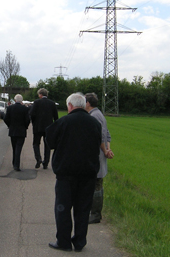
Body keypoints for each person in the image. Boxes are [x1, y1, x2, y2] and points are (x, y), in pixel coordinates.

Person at [45, 93, 101, 252]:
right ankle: (79, 241)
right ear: (83, 105)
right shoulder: (95, 123)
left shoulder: (63, 122)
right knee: (83, 209)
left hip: (66, 174)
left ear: (69, 105)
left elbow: (50, 141)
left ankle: (63, 241)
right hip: (88, 174)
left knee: (62, 208)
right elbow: (98, 143)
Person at [85, 93, 114, 224]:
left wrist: (105, 151)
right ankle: (95, 213)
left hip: (97, 155)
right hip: (100, 153)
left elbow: (101, 137)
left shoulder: (94, 116)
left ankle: (95, 214)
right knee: (97, 183)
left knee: (96, 184)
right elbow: (107, 135)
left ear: (88, 103)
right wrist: (107, 150)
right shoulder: (98, 114)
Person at [30, 88, 58, 169]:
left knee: (36, 144)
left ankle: (38, 158)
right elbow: (56, 117)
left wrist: (34, 122)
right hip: (48, 128)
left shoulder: (36, 102)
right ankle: (46, 162)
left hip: (38, 127)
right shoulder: (52, 103)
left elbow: (31, 114)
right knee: (47, 145)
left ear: (40, 94)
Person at [3, 94, 30, 171]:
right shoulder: (25, 109)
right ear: (21, 100)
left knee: (14, 147)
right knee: (19, 148)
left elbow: (5, 118)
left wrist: (10, 125)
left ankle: (14, 162)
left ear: (15, 100)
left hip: (13, 130)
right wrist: (25, 126)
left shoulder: (10, 108)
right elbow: (27, 120)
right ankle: (16, 165)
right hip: (21, 131)